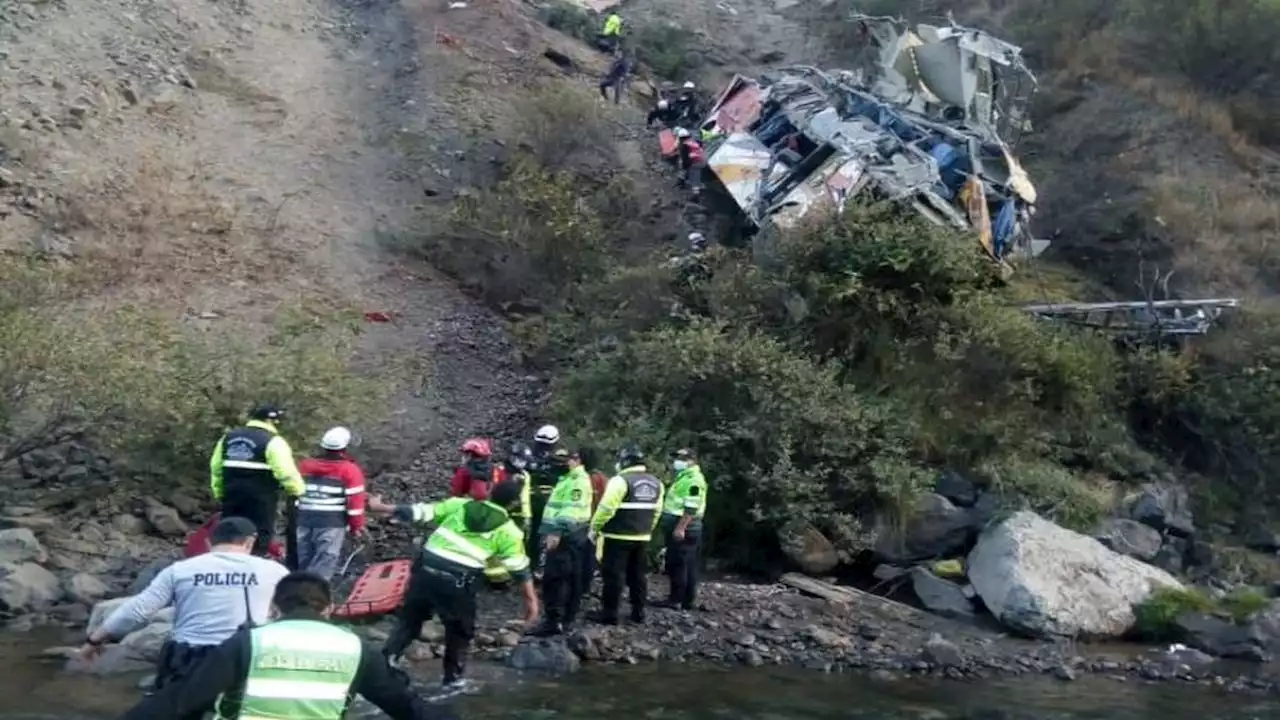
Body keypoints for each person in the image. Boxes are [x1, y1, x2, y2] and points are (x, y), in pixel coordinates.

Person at [115, 571, 447, 720]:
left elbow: (179, 700)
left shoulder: (248, 643)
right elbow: (405, 706)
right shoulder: (356, 649)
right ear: (328, 609)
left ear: (275, 608)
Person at [82, 517, 289, 718]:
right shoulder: (275, 571)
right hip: (246, 657)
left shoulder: (181, 570)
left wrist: (95, 639)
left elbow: (138, 609)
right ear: (249, 542)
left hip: (190, 659)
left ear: (209, 542)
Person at [370, 480, 539, 689]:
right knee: (459, 632)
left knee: (410, 620)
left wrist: (380, 507)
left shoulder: (460, 505)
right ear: (514, 504)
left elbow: (419, 512)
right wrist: (531, 603)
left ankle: (384, 664)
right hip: (457, 583)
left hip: (425, 572)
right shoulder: (510, 532)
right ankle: (452, 682)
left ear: (490, 492)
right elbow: (520, 570)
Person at [209, 404, 306, 557]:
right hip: (261, 498)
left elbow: (216, 468)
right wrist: (298, 491)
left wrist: (219, 492)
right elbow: (285, 472)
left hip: (231, 495)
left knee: (230, 532)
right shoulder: (273, 441)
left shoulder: (228, 438)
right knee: (259, 535)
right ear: (271, 421)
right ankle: (253, 566)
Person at [588, 445, 664, 625]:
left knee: (613, 576)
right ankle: (639, 613)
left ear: (625, 461)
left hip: (616, 536)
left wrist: (594, 528)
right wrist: (647, 530)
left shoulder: (620, 480)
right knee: (638, 576)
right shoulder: (656, 483)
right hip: (642, 537)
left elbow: (606, 508)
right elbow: (657, 511)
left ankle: (609, 614)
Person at [531, 447, 594, 636]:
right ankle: (565, 619)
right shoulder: (569, 479)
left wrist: (556, 532)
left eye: (569, 459)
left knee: (556, 578)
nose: (565, 463)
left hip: (566, 535)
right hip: (573, 533)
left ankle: (554, 621)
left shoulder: (577, 481)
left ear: (578, 460)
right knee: (571, 577)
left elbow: (571, 510)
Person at [295, 426, 367, 582]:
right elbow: (355, 505)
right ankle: (315, 596)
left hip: (303, 519)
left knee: (303, 557)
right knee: (325, 559)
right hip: (331, 523)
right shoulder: (350, 470)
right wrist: (356, 527)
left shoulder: (305, 465)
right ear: (345, 447)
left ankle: (298, 590)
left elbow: (294, 492)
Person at [654, 448, 709, 611]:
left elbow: (691, 507)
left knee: (679, 564)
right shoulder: (683, 477)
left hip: (685, 527)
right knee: (687, 564)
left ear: (692, 460)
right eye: (677, 457)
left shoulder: (694, 480)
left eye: (681, 458)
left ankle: (676, 599)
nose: (677, 461)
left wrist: (680, 528)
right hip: (682, 526)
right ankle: (686, 599)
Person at [526, 424, 562, 576]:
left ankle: (531, 565)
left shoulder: (529, 458)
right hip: (551, 504)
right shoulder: (560, 461)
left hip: (531, 501)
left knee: (532, 535)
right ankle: (541, 568)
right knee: (548, 536)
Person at [499, 441, 534, 536]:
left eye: (524, 461)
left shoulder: (525, 475)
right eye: (520, 459)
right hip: (499, 510)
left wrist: (527, 517)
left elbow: (525, 497)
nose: (522, 463)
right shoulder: (499, 471)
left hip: (517, 514)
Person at [676, 128, 706, 192]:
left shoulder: (684, 145)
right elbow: (701, 146)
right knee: (693, 174)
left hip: (695, 162)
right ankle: (682, 181)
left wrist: (684, 167)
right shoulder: (694, 140)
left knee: (694, 178)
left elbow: (685, 160)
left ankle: (695, 196)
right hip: (702, 160)